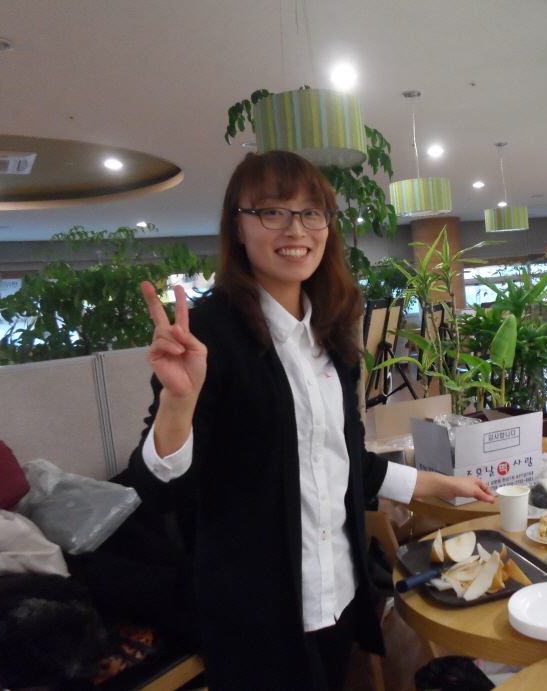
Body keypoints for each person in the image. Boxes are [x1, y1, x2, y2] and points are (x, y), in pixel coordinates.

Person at [126, 150, 494, 691]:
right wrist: (177, 404)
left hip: (338, 595)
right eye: (272, 212)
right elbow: (159, 493)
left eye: (311, 212)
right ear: (239, 227)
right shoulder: (209, 333)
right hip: (255, 615)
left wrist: (443, 484)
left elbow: (344, 461)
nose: (296, 229)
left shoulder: (332, 333)